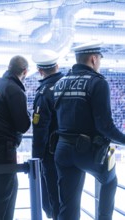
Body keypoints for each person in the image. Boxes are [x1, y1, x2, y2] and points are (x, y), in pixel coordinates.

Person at [53, 41, 125, 220]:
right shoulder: (97, 83)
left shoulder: (60, 82)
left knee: (68, 205)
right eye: (99, 59)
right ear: (93, 59)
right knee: (109, 181)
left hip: (62, 150)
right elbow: (105, 126)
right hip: (87, 152)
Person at [0, 55, 31, 220]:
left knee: (10, 187)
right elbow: (23, 126)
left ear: (9, 67)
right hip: (4, 146)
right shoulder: (15, 90)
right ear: (24, 71)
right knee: (1, 191)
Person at [32, 49, 63, 220]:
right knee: (69, 198)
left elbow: (40, 128)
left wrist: (35, 159)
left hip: (51, 153)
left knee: (52, 199)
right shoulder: (67, 84)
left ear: (40, 70)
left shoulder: (44, 92)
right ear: (57, 66)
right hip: (72, 150)